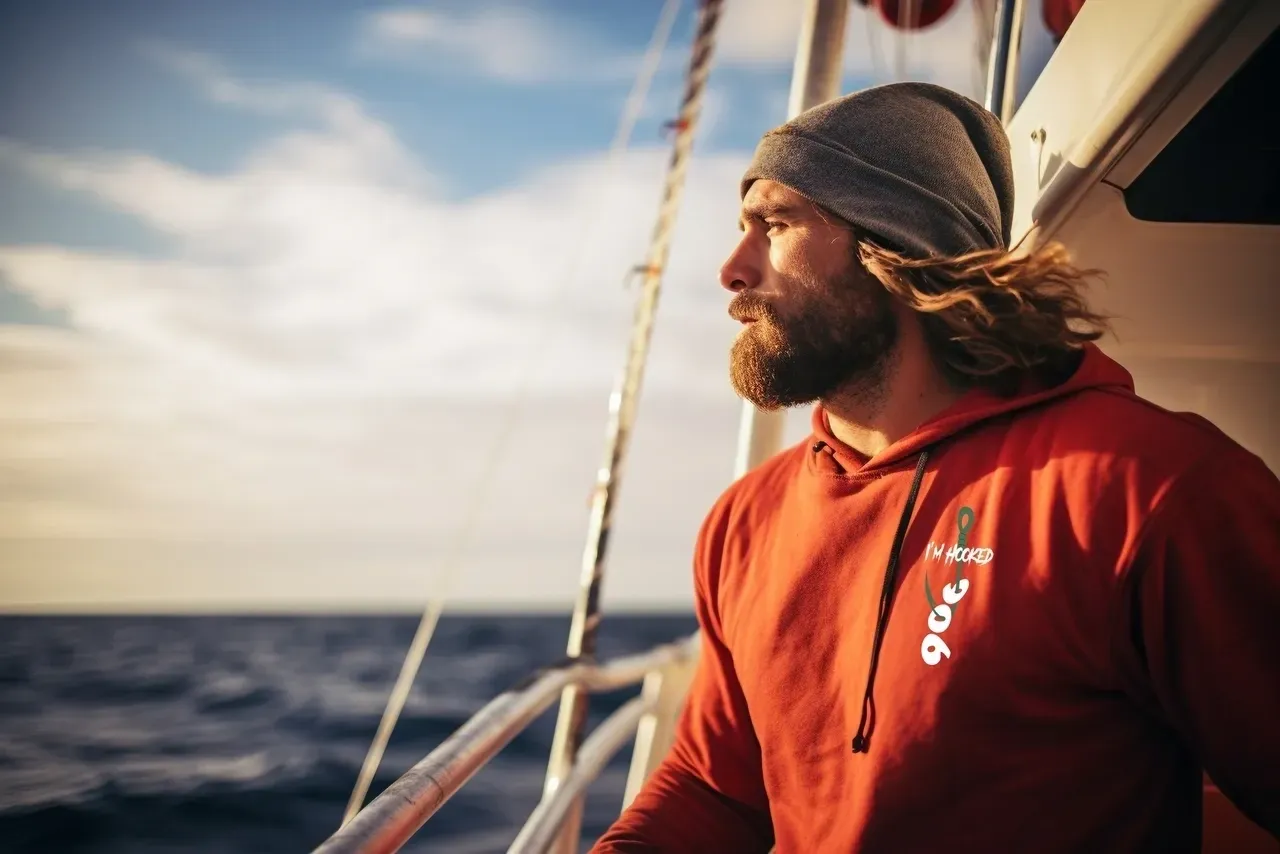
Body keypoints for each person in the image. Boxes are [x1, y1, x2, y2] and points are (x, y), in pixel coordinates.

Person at [591, 82, 1280, 852]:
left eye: (775, 224)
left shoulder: (1147, 488)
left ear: (895, 247)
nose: (731, 269)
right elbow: (719, 788)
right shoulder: (744, 522)